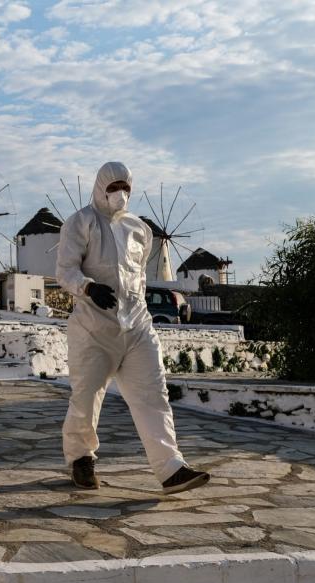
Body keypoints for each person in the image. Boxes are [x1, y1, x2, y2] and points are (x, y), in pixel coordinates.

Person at [56, 162, 210, 494]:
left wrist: (135, 308)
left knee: (153, 395)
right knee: (86, 398)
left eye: (124, 186)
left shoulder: (140, 229)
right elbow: (65, 270)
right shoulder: (79, 223)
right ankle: (81, 458)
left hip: (137, 326)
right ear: (99, 188)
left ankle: (171, 468)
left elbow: (137, 277)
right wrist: (87, 287)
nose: (119, 193)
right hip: (93, 329)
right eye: (112, 187)